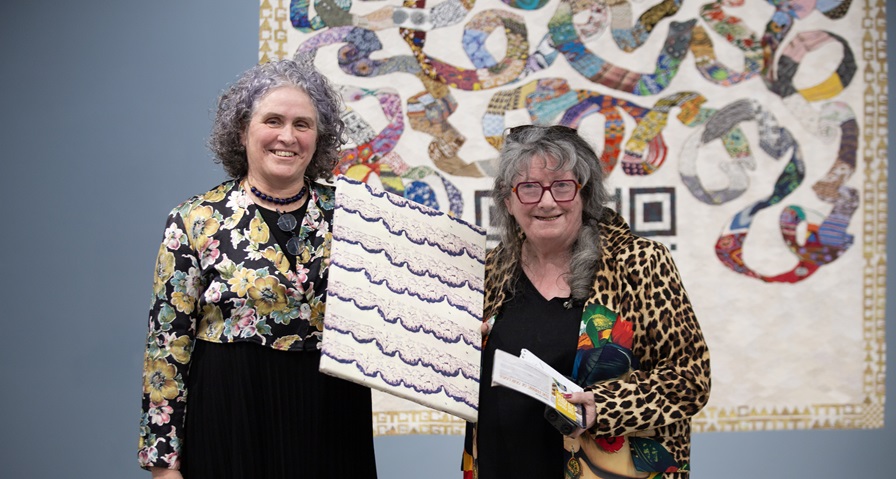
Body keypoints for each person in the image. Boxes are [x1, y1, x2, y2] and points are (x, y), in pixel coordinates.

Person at [138, 58, 377, 479]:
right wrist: (163, 466)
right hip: (231, 418)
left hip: (333, 417)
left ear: (318, 138)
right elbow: (166, 348)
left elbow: (402, 301)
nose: (288, 136)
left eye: (303, 124)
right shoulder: (194, 221)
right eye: (273, 121)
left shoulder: (358, 217)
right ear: (242, 131)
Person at [462, 125, 711, 479]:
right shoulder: (490, 272)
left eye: (562, 186)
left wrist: (605, 407)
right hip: (501, 464)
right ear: (508, 200)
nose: (547, 202)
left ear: (585, 193)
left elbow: (691, 378)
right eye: (529, 188)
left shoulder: (638, 262)